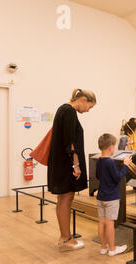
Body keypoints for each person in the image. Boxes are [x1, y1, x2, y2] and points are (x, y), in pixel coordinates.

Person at [48, 89, 96, 252]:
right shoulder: (69, 111)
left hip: (62, 163)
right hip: (67, 164)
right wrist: (76, 165)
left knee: (63, 199)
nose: (88, 110)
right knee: (66, 199)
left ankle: (65, 236)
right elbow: (70, 142)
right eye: (90, 106)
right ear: (83, 99)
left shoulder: (63, 109)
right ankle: (66, 239)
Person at [96, 133, 132, 256]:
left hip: (101, 196)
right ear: (111, 147)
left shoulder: (99, 160)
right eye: (115, 146)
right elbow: (118, 177)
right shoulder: (110, 162)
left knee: (101, 222)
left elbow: (97, 176)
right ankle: (112, 249)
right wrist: (126, 165)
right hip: (111, 197)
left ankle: (103, 247)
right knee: (110, 223)